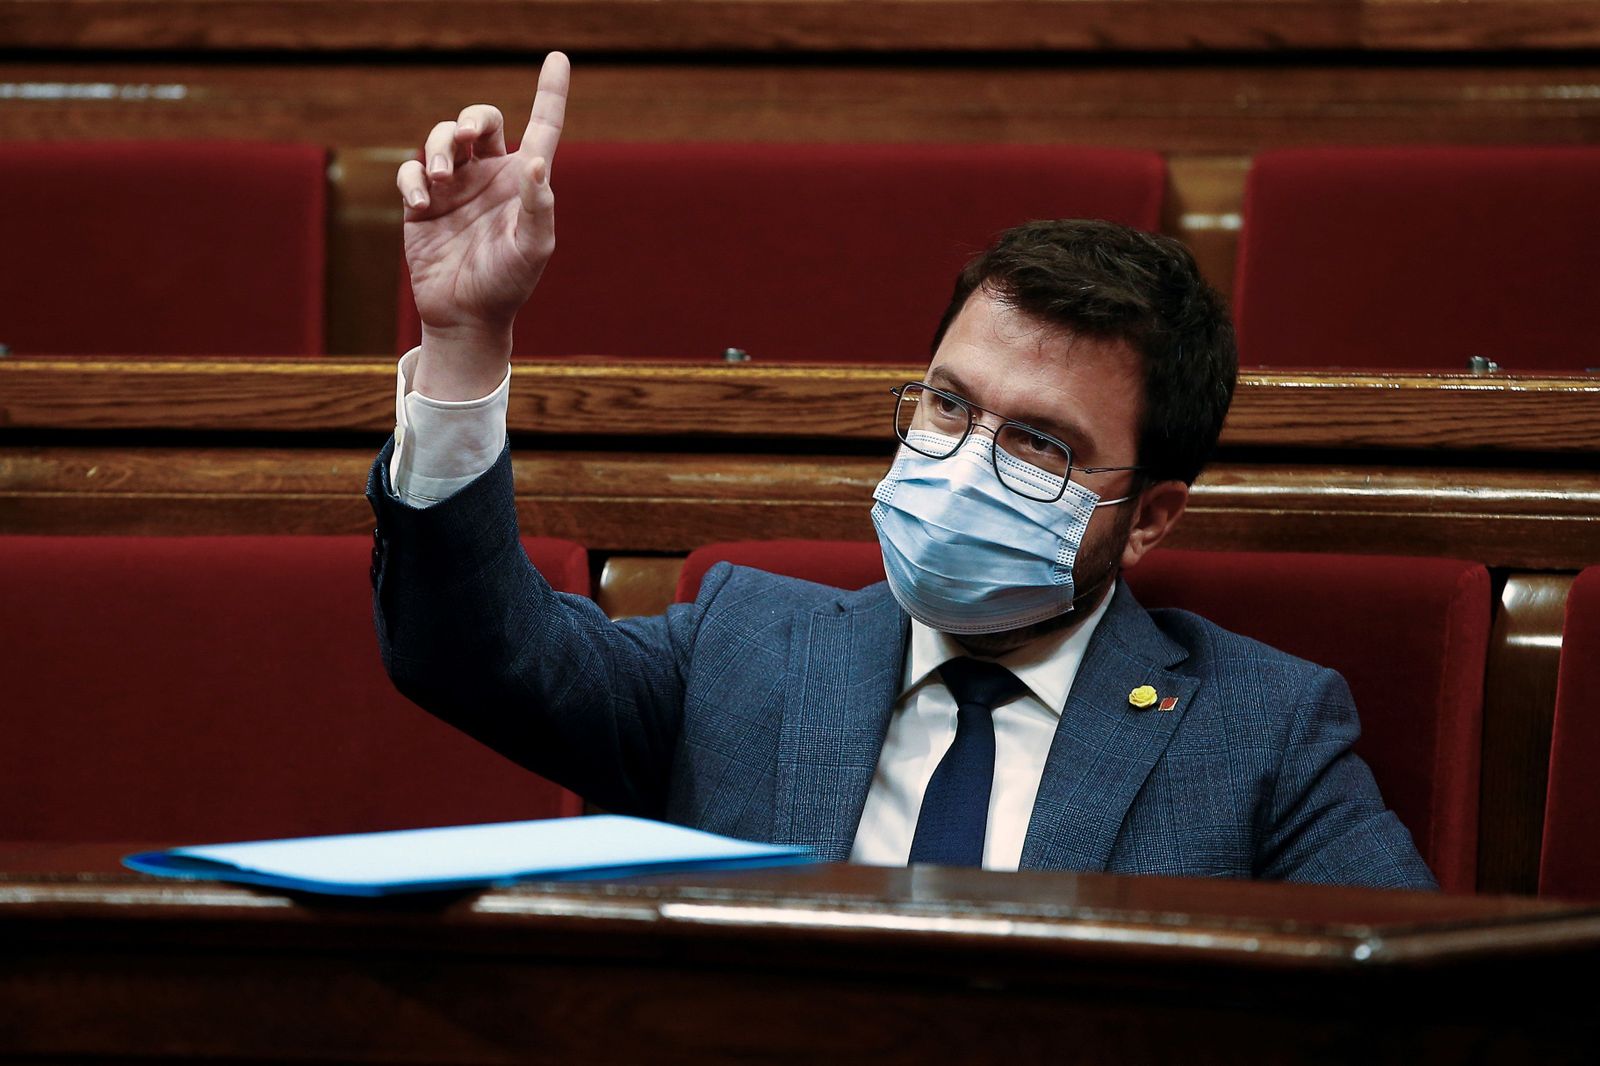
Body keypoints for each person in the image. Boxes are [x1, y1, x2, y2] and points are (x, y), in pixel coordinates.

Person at [368, 52, 1436, 888]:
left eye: (1038, 443)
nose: (965, 463)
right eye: (949, 404)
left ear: (1150, 514)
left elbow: (1412, 1002)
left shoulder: (1260, 732)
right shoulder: (743, 653)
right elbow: (468, 652)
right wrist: (465, 340)